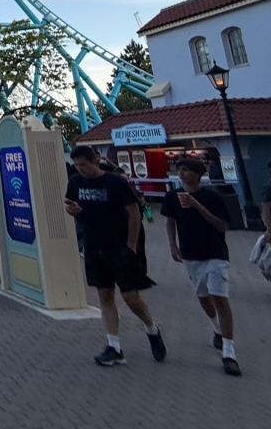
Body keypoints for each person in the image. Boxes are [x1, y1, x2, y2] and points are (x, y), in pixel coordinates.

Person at [65, 147, 165, 367]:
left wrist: (131, 243)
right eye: (77, 165)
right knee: (104, 294)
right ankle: (114, 346)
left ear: (95, 161)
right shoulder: (75, 182)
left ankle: (152, 329)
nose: (81, 169)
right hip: (93, 244)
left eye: (84, 164)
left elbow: (133, 212)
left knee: (130, 297)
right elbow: (71, 205)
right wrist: (72, 211)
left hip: (118, 244)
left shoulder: (114, 182)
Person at [162, 157, 239, 376]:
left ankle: (229, 352)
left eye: (186, 170)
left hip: (215, 253)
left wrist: (197, 205)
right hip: (191, 254)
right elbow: (170, 221)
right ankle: (217, 329)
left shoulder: (212, 197)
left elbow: (222, 225)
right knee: (204, 297)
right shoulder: (172, 196)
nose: (182, 173)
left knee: (219, 297)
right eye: (179, 170)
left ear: (198, 174)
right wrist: (173, 245)